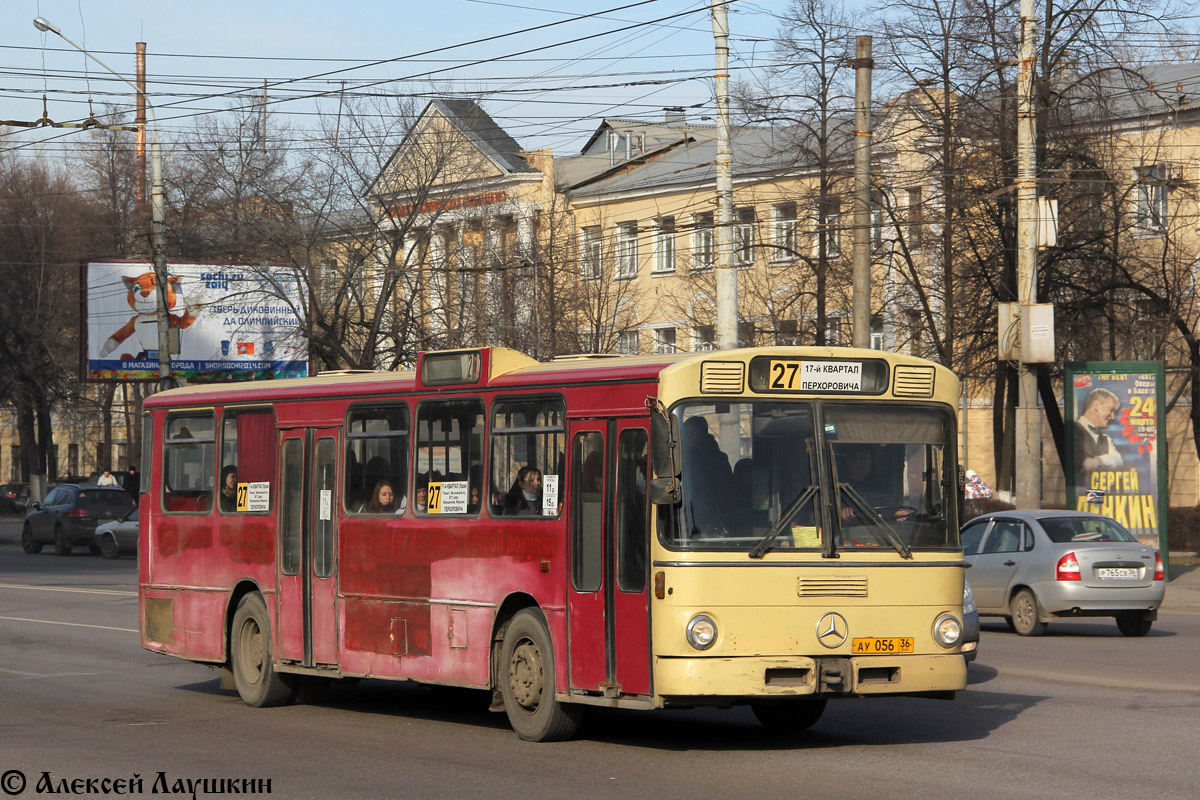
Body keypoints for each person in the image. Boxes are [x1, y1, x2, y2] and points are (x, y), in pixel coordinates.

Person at [680, 415, 733, 536]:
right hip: (688, 515)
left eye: (692, 434)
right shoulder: (682, 457)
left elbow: (725, 493)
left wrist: (716, 520)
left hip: (710, 521)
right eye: (685, 434)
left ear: (703, 435)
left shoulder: (717, 460)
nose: (687, 438)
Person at [1074, 388, 1123, 486]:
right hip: (1078, 494)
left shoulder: (1106, 439)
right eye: (1111, 410)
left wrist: (1099, 461)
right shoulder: (1071, 429)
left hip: (1097, 492)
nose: (1113, 416)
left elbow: (1119, 460)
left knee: (1096, 500)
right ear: (1096, 406)